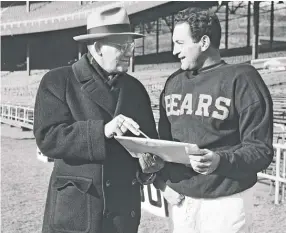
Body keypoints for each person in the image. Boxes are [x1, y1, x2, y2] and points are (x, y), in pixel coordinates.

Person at [33, 6, 163, 233]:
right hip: (77, 212)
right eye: (122, 46)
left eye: (130, 45)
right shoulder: (57, 82)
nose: (129, 52)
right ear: (98, 47)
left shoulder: (135, 89)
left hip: (122, 214)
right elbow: (48, 138)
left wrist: (148, 167)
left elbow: (149, 143)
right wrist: (102, 131)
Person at [155, 8, 274, 233]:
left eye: (180, 43)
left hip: (226, 201)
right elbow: (164, 142)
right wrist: (161, 182)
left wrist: (220, 160)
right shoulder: (173, 82)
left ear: (204, 41)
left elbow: (261, 150)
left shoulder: (242, 78)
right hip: (181, 200)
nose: (174, 51)